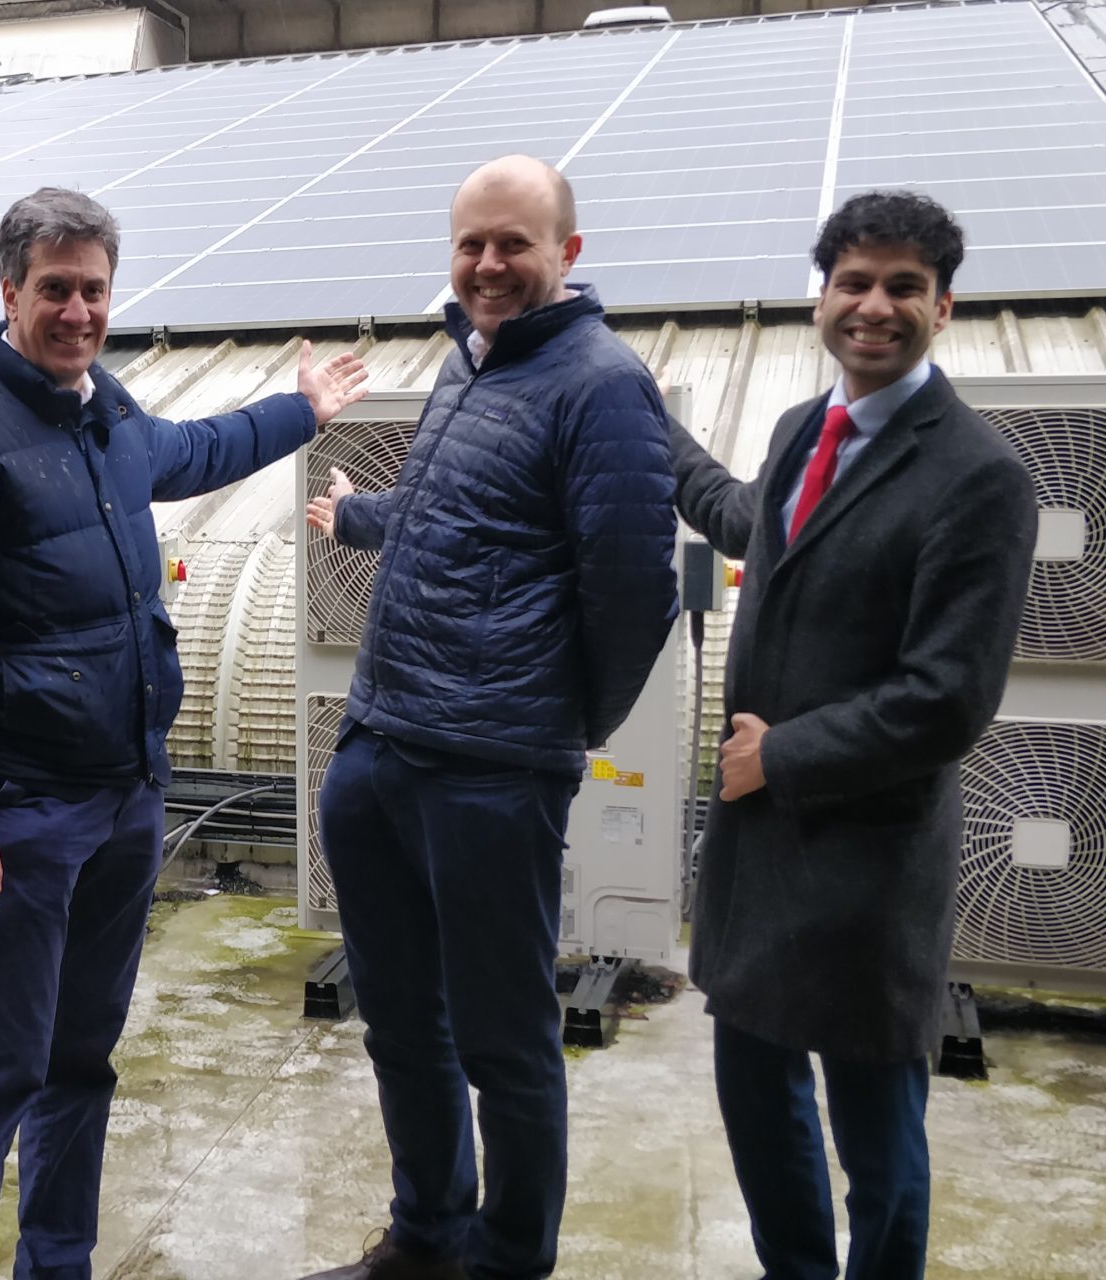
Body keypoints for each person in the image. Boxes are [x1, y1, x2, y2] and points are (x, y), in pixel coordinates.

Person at [0, 186, 369, 1279]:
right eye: (54, 288)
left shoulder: (102, 409)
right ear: (8, 289)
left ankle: (56, 1261)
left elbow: (190, 451)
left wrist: (299, 412)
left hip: (125, 792)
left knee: (82, 1059)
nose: (76, 310)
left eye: (93, 289)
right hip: (23, 808)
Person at [300, 155, 678, 1280]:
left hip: (491, 766)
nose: (487, 264)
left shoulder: (602, 384)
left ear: (569, 252)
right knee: (400, 1023)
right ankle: (425, 1236)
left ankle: (509, 1257)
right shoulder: (471, 363)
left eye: (513, 243)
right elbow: (456, 507)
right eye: (470, 244)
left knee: (505, 1042)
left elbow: (633, 587)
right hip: (382, 741)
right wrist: (361, 514)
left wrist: (557, 729)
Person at [667, 191, 1036, 1280]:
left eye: (902, 287)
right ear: (821, 296)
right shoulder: (798, 428)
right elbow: (754, 524)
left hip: (867, 857)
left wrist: (777, 753)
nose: (874, 306)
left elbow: (947, 698)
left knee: (876, 1135)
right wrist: (647, 427)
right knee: (756, 1096)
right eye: (854, 282)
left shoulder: (978, 475)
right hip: (757, 849)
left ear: (943, 308)